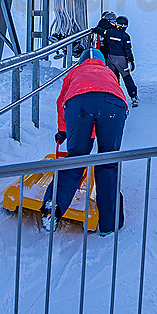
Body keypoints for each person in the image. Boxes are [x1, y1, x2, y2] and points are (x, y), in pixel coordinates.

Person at [41, 48, 127, 235]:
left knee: (76, 158)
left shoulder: (75, 71)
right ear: (102, 61)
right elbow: (101, 102)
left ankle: (53, 205)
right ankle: (109, 224)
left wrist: (63, 130)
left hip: (78, 102)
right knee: (108, 161)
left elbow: (62, 101)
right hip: (113, 105)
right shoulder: (108, 72)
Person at [105, 15, 138, 107]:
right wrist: (131, 61)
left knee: (113, 78)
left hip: (110, 58)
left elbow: (99, 30)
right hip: (121, 60)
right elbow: (128, 50)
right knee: (127, 77)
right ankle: (133, 96)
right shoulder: (125, 36)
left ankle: (114, 96)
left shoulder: (109, 32)